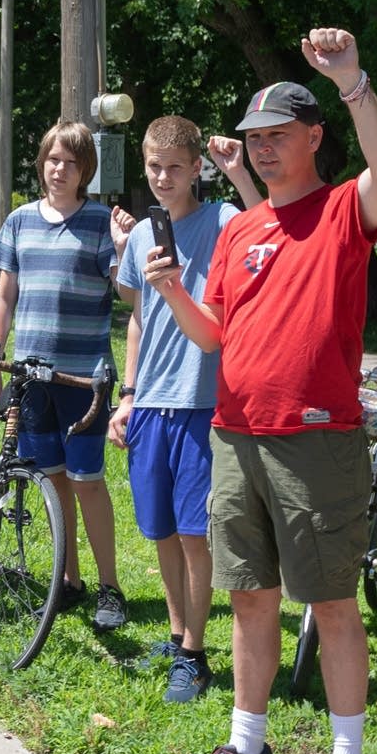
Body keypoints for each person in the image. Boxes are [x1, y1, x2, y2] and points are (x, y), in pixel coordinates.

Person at [146, 30, 377, 754]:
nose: (263, 151)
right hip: (236, 437)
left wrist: (352, 80)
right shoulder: (240, 230)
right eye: (255, 140)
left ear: (313, 139)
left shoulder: (341, 213)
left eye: (278, 138)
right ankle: (248, 749)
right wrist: (168, 293)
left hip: (315, 441)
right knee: (250, 596)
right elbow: (215, 334)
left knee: (330, 603)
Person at [108, 121, 264, 702]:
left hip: (202, 402)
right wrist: (127, 395)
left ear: (195, 166)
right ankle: (177, 636)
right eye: (153, 167)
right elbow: (137, 313)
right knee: (163, 532)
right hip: (150, 402)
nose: (163, 177)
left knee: (197, 536)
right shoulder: (147, 230)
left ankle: (195, 655)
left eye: (175, 166)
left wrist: (238, 171)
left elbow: (266, 223)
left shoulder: (222, 218)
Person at [0, 120, 127, 629]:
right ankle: (70, 580)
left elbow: (127, 295)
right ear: (41, 163)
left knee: (88, 482)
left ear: (85, 168)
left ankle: (110, 587)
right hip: (33, 378)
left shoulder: (99, 222)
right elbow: (5, 294)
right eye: (51, 159)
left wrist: (124, 249)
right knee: (51, 481)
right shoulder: (19, 221)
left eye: (69, 161)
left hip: (83, 381)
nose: (59, 169)